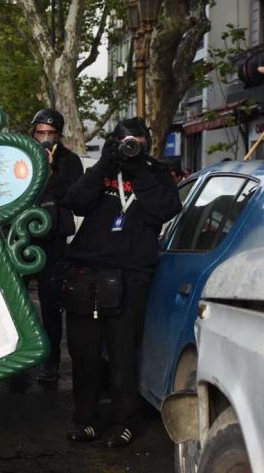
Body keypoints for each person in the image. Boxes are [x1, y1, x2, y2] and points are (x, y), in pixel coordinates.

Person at [63, 117, 181, 448]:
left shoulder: (156, 174)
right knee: (84, 354)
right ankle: (85, 420)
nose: (129, 145)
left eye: (136, 141)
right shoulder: (103, 170)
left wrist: (140, 169)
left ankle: (124, 422)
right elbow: (76, 202)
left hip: (131, 275)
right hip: (87, 273)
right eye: (124, 141)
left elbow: (164, 210)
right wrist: (104, 164)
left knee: (122, 355)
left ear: (146, 142)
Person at [28, 109, 83, 383]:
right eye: (40, 133)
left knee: (50, 302)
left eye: (50, 134)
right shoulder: (23, 155)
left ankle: (50, 361)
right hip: (24, 236)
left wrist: (50, 172)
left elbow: (73, 196)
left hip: (54, 238)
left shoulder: (70, 162)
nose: (45, 138)